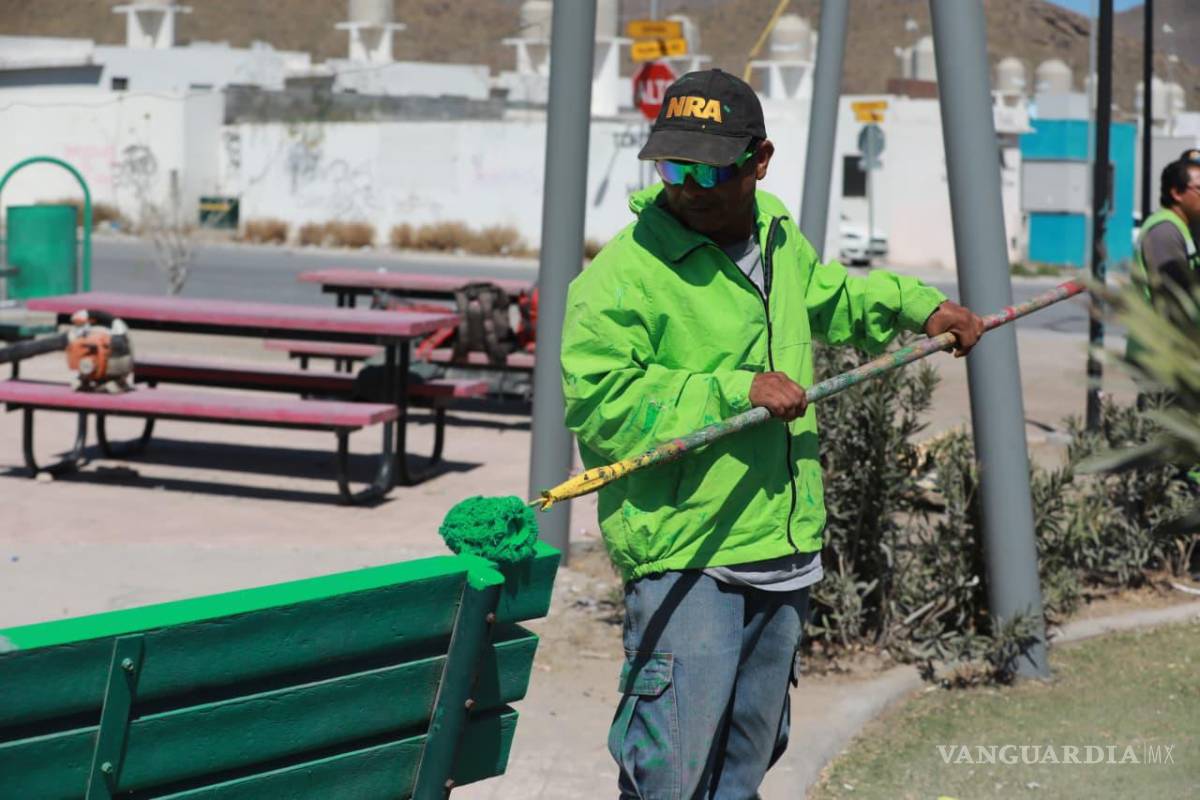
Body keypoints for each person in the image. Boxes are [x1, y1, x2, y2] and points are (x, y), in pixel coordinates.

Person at [559, 69, 983, 799]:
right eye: (672, 165)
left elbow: (830, 296)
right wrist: (733, 391)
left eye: (708, 167)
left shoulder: (777, 237)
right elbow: (601, 405)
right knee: (669, 777)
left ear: (760, 161)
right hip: (688, 558)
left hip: (783, 552)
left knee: (744, 769)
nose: (688, 185)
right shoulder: (620, 278)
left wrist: (921, 309)